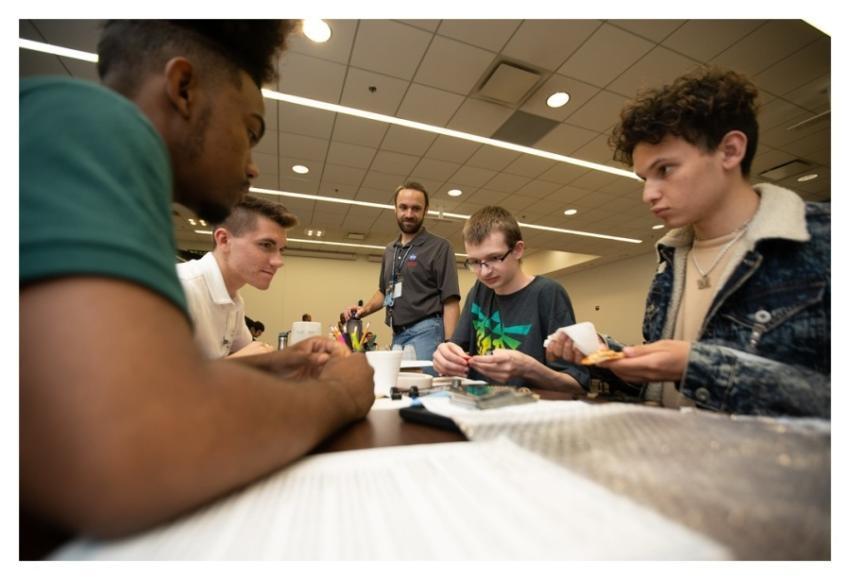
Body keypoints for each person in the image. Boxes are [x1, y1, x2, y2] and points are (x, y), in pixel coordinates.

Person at [20, 20, 374, 553]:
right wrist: (341, 395)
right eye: (250, 130)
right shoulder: (92, 123)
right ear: (183, 87)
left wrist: (274, 364)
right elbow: (134, 448)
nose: (252, 165)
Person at [545, 67, 829, 418]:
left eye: (665, 170)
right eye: (644, 178)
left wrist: (697, 366)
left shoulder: (823, 241)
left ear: (730, 151)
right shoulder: (671, 257)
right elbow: (661, 385)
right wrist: (608, 355)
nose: (648, 194)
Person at [433, 207, 589, 392]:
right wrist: (445, 356)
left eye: (494, 258)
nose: (484, 272)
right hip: (481, 403)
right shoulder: (479, 291)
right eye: (474, 262)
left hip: (532, 406)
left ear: (517, 250)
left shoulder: (548, 293)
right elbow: (456, 349)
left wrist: (530, 369)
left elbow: (576, 384)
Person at [342, 182, 461, 370]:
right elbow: (384, 291)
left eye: (416, 208)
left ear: (426, 210)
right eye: (403, 207)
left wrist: (449, 345)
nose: (409, 214)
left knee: (423, 386)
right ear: (395, 209)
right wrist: (364, 310)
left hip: (427, 332)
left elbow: (450, 300)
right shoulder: (390, 250)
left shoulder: (439, 247)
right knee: (400, 386)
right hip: (397, 334)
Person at [178, 195, 294, 358]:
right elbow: (150, 373)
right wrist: (237, 362)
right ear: (224, 240)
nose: (278, 261)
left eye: (281, 250)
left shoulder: (234, 299)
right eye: (266, 245)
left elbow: (252, 353)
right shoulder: (180, 287)